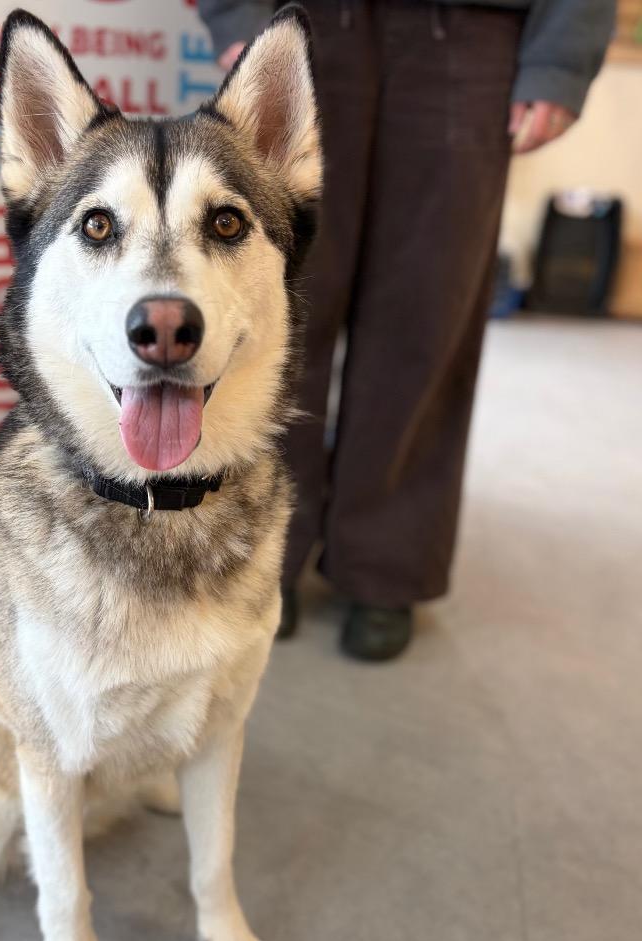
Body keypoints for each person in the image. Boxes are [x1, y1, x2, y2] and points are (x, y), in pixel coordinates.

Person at [197, 0, 615, 660]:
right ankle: (261, 553)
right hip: (303, 25)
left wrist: (561, 56)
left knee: (427, 312)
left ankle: (385, 564)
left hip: (470, 38)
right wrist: (236, 14)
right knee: (277, 305)